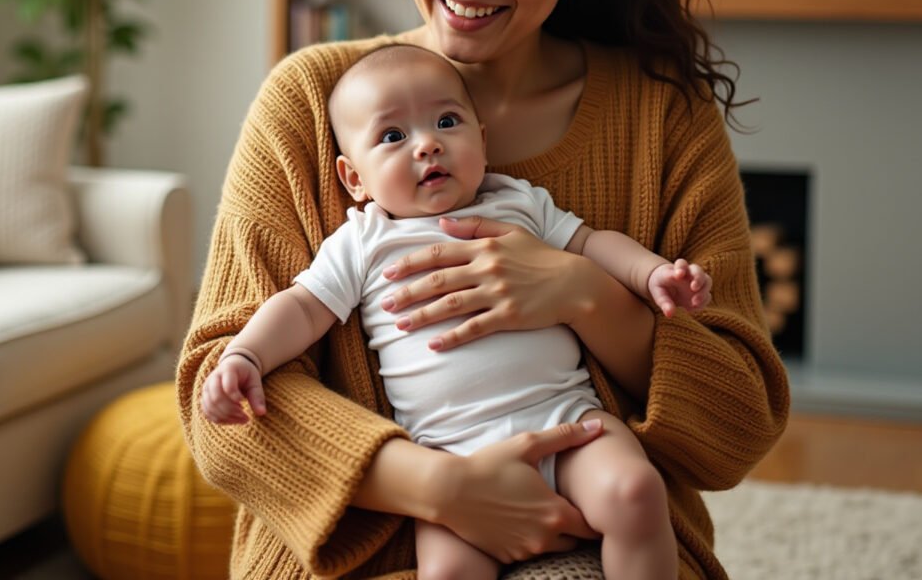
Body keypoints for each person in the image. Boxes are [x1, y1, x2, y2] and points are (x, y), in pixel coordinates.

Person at [178, 0, 789, 580]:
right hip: (355, 549)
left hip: (596, 534)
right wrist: (442, 489)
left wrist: (582, 293)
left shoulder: (662, 117)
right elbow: (218, 401)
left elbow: (739, 421)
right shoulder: (311, 103)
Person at [201, 43, 712, 579]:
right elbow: (303, 308)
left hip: (567, 421)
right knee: (447, 572)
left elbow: (591, 243)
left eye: (447, 122)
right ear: (354, 179)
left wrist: (651, 273)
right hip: (447, 455)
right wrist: (246, 355)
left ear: (482, 142)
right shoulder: (364, 241)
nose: (428, 144)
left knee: (636, 491)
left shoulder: (517, 202)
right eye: (392, 136)